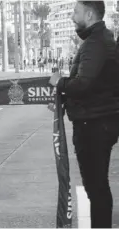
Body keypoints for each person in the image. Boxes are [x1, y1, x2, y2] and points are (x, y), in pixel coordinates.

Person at [49, 1, 119, 227]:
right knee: (97, 186)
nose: (71, 17)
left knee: (96, 187)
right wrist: (65, 99)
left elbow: (83, 84)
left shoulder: (95, 43)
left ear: (89, 14)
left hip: (94, 124)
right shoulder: (100, 39)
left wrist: (59, 82)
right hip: (100, 120)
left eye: (75, 12)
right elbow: (95, 85)